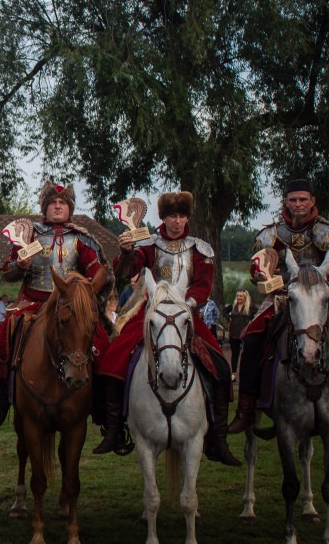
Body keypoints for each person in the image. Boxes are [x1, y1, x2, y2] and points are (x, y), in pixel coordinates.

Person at [227, 179, 329, 444]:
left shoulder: (328, 233)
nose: (298, 205)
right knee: (252, 337)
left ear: (312, 201)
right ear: (286, 202)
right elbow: (259, 267)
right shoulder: (273, 235)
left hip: (323, 299)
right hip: (283, 298)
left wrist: (326, 291)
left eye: (303, 199)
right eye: (293, 200)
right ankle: (247, 407)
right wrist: (264, 277)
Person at [93, 191, 240, 466]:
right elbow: (126, 271)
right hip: (152, 313)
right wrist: (125, 253)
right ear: (163, 217)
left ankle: (217, 438)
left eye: (182, 216)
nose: (177, 221)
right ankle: (114, 429)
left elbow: (204, 284)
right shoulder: (149, 243)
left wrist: (185, 306)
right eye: (172, 216)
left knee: (219, 366)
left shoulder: (200, 248)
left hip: (188, 314)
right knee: (113, 358)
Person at [0, 182, 110, 432]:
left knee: (102, 342)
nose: (58, 206)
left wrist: (83, 295)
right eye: (53, 203)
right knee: (4, 337)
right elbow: (7, 271)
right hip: (31, 304)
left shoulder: (81, 239)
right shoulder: (29, 235)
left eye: (63, 203)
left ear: (70, 209)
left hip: (68, 305)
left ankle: (102, 406)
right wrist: (19, 266)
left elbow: (96, 272)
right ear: (45, 208)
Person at [226, 290, 253, 374]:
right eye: (237, 296)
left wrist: (251, 323)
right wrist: (229, 318)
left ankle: (244, 372)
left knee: (245, 354)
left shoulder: (250, 307)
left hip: (245, 334)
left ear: (245, 297)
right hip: (234, 333)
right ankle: (233, 373)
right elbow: (224, 311)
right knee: (234, 354)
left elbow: (257, 314)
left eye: (241, 296)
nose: (239, 298)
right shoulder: (233, 306)